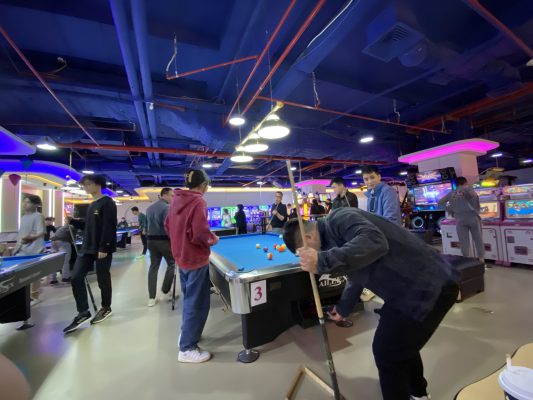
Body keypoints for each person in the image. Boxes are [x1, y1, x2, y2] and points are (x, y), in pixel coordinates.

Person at [282, 208, 459, 400]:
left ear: (308, 238)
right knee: (399, 345)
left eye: (303, 252)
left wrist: (322, 259)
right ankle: (418, 393)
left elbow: (375, 242)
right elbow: (356, 273)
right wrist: (343, 308)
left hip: (430, 285)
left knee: (387, 351)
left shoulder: (339, 218)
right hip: (406, 291)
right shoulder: (330, 240)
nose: (306, 256)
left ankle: (416, 392)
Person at [166, 169, 219, 363]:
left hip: (182, 257)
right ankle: (187, 348)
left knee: (189, 299)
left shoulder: (176, 199)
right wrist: (212, 239)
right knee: (198, 303)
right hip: (195, 259)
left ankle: (187, 334)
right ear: (203, 185)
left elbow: (167, 225)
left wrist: (181, 242)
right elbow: (199, 233)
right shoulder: (198, 201)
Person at [63, 174, 117, 334]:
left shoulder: (107, 202)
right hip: (87, 248)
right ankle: (83, 312)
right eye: (84, 185)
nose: (85, 187)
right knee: (76, 277)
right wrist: (73, 221)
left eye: (88, 184)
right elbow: (88, 225)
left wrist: (104, 247)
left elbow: (109, 226)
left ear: (98, 184)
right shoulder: (92, 204)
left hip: (101, 248)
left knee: (102, 278)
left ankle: (106, 307)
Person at [438, 177, 485, 264]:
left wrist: (450, 210)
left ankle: (466, 260)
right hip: (472, 217)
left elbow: (440, 202)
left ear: (456, 184)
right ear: (465, 183)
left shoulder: (451, 193)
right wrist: (476, 211)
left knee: (464, 241)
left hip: (460, 219)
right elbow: (476, 202)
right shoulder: (469, 190)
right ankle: (481, 259)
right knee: (478, 239)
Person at [146, 188, 176, 307]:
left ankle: (151, 298)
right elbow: (168, 227)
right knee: (172, 264)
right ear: (164, 195)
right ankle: (165, 290)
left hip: (150, 241)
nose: (173, 198)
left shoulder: (149, 208)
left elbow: (147, 226)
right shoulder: (167, 207)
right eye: (171, 196)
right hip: (163, 241)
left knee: (153, 267)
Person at [15, 195, 45, 302]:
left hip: (34, 250)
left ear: (35, 204)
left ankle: (34, 297)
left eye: (27, 202)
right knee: (22, 275)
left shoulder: (38, 216)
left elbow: (41, 232)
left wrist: (30, 238)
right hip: (22, 250)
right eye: (24, 202)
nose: (24, 204)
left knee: (34, 275)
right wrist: (17, 247)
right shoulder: (23, 217)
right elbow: (21, 234)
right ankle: (25, 296)